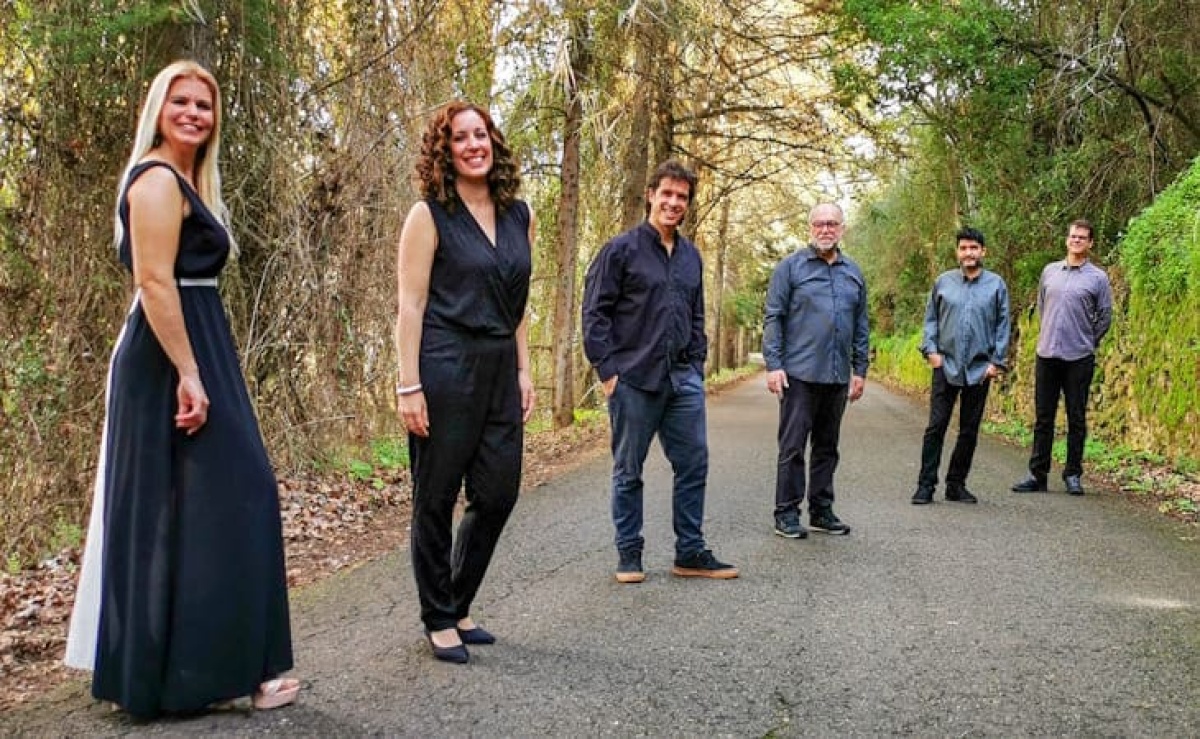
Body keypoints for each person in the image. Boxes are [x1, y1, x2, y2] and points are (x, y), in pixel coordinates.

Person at [64, 60, 297, 717]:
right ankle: (177, 675)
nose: (194, 112)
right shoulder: (157, 179)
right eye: (181, 101)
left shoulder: (192, 180)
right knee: (215, 498)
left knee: (213, 503)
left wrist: (203, 364)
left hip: (201, 343)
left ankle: (209, 672)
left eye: (204, 103)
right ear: (158, 110)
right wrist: (189, 373)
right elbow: (154, 281)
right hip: (166, 355)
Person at [394, 101, 535, 664]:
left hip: (501, 365)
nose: (474, 145)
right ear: (444, 151)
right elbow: (410, 304)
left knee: (499, 492)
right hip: (446, 363)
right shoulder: (428, 216)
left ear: (494, 143)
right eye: (460, 137)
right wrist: (409, 384)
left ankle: (457, 599)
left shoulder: (520, 215)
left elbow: (519, 304)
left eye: (481, 134)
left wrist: (524, 369)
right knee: (435, 496)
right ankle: (439, 617)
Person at [582, 160, 738, 584]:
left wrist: (697, 365)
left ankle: (689, 552)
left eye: (681, 196)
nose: (673, 202)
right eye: (666, 193)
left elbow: (697, 313)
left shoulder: (690, 257)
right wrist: (608, 372)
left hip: (682, 380)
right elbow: (594, 314)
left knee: (693, 464)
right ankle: (629, 554)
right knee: (628, 470)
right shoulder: (620, 250)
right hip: (633, 380)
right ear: (650, 195)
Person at [764, 203, 869, 538]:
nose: (826, 229)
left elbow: (861, 324)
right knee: (793, 446)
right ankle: (786, 513)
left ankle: (821, 511)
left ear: (842, 229)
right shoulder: (790, 268)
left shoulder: (853, 273)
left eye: (832, 224)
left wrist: (860, 369)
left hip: (837, 375)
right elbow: (774, 317)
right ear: (810, 227)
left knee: (827, 447)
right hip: (799, 374)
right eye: (820, 224)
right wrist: (774, 365)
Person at [1012, 219, 1113, 496]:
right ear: (1067, 239)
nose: (1076, 240)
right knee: (1043, 417)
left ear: (1090, 243)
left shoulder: (1098, 278)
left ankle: (1073, 474)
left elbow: (1105, 316)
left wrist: (1088, 340)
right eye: (1073, 236)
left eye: (1082, 237)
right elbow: (1043, 306)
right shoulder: (1050, 272)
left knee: (1076, 418)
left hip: (1079, 356)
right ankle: (1037, 474)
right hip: (1047, 354)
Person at [912, 227, 1011, 505]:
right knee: (936, 426)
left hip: (980, 369)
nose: (969, 253)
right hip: (946, 364)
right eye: (964, 248)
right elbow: (931, 319)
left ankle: (956, 485)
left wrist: (996, 362)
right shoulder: (943, 282)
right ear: (957, 252)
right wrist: (931, 351)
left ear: (983, 251)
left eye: (973, 248)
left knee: (969, 429)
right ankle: (925, 485)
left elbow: (1003, 324)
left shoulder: (996, 285)